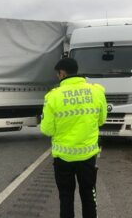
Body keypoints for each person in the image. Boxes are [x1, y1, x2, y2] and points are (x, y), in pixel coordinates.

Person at [40, 58, 107, 218]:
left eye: (58, 74)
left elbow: (47, 130)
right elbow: (102, 120)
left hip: (63, 158)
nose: (58, 77)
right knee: (88, 196)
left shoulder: (53, 96)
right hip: (88, 156)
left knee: (66, 198)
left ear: (62, 73)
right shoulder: (96, 91)